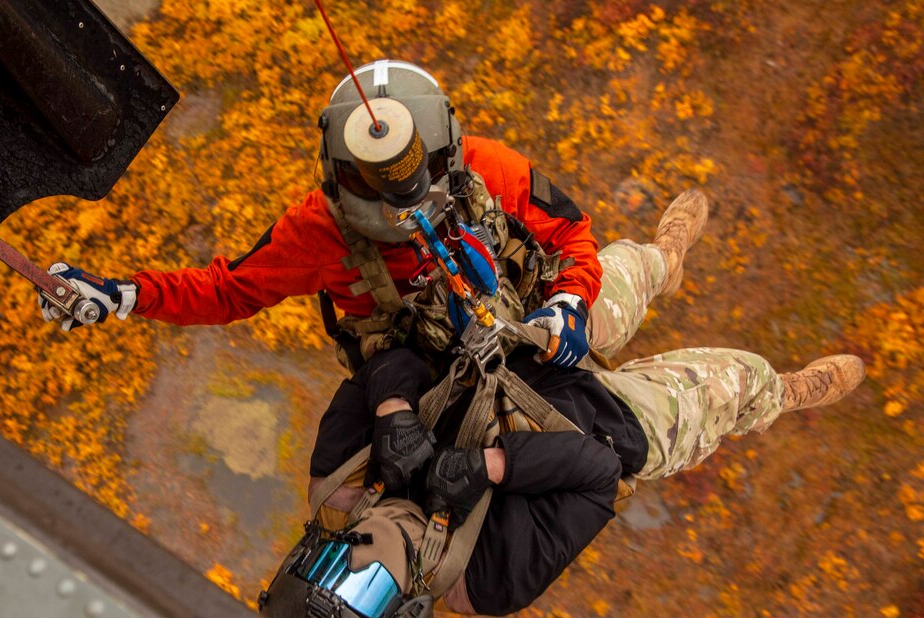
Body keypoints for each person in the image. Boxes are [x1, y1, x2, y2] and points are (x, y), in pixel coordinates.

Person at [257, 194, 866, 618]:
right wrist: (490, 468)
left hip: (520, 348)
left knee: (613, 276)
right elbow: (598, 476)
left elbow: (390, 360)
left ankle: (663, 257)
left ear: (308, 547)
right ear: (406, 617)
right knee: (727, 383)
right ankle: (783, 392)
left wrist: (392, 410)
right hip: (610, 422)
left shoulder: (339, 482)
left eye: (333, 561)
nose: (364, 548)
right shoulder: (490, 579)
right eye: (369, 583)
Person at [38, 60, 610, 526]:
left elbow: (571, 234)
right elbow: (229, 290)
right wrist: (123, 295)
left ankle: (660, 257)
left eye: (417, 178)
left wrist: (571, 302)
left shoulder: (490, 171)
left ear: (447, 153)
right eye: (371, 189)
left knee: (628, 279)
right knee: (340, 491)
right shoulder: (317, 230)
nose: (399, 213)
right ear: (339, 177)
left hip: (527, 319)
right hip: (419, 368)